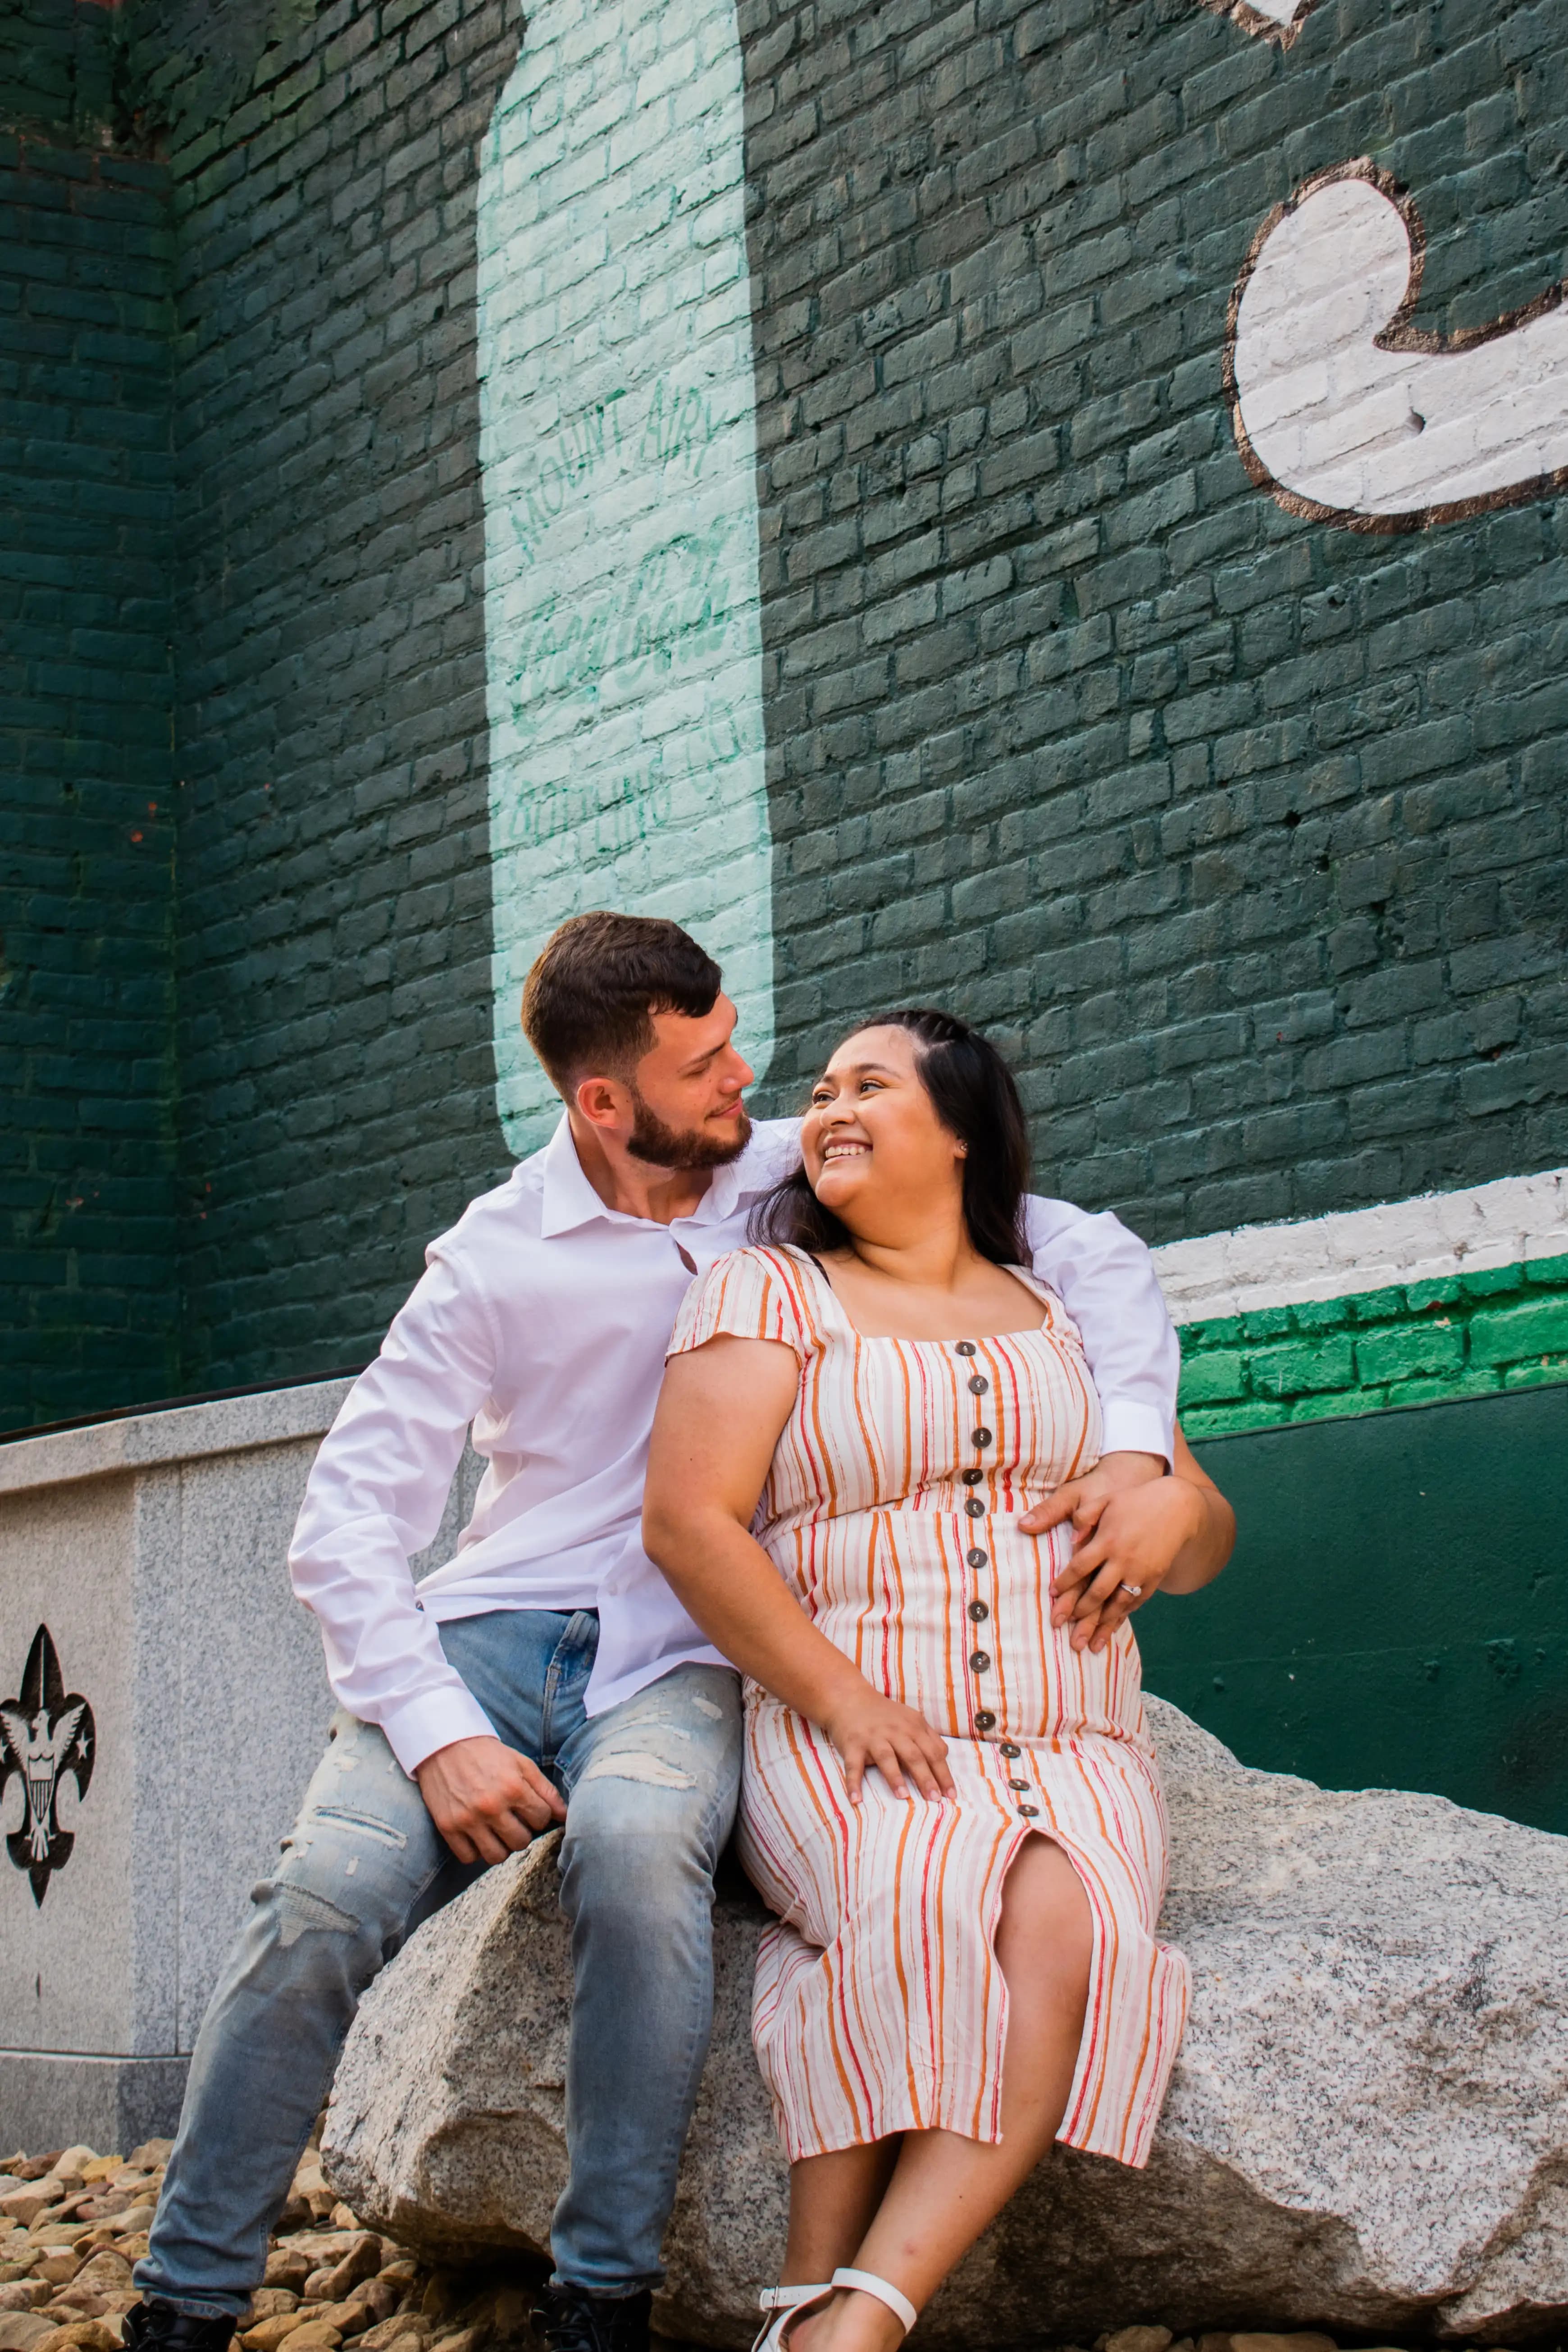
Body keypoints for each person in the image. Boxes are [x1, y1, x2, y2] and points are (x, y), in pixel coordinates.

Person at [125, 916, 1186, 2352]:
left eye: (737, 1043)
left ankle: (601, 2295)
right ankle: (185, 2302)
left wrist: (1136, 1447)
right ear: (604, 1101)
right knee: (320, 1896)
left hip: (681, 1650)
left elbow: (1081, 1249)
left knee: (637, 1855)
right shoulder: (494, 1260)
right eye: (706, 1063)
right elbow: (347, 1520)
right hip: (494, 1634)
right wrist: (437, 1735)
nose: (751, 1078)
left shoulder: (779, 1174)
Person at [643, 1009, 1234, 2352]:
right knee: (921, 1893)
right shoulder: (767, 1292)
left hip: (1073, 1735)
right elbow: (687, 1523)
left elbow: (1205, 1541)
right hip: (853, 1724)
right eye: (821, 1092)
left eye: (869, 1085)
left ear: (963, 1131)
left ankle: (857, 2315)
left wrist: (1173, 1510)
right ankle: (825, 2303)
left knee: (1068, 1921)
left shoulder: (1067, 1316)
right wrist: (844, 1700)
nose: (828, 1110)